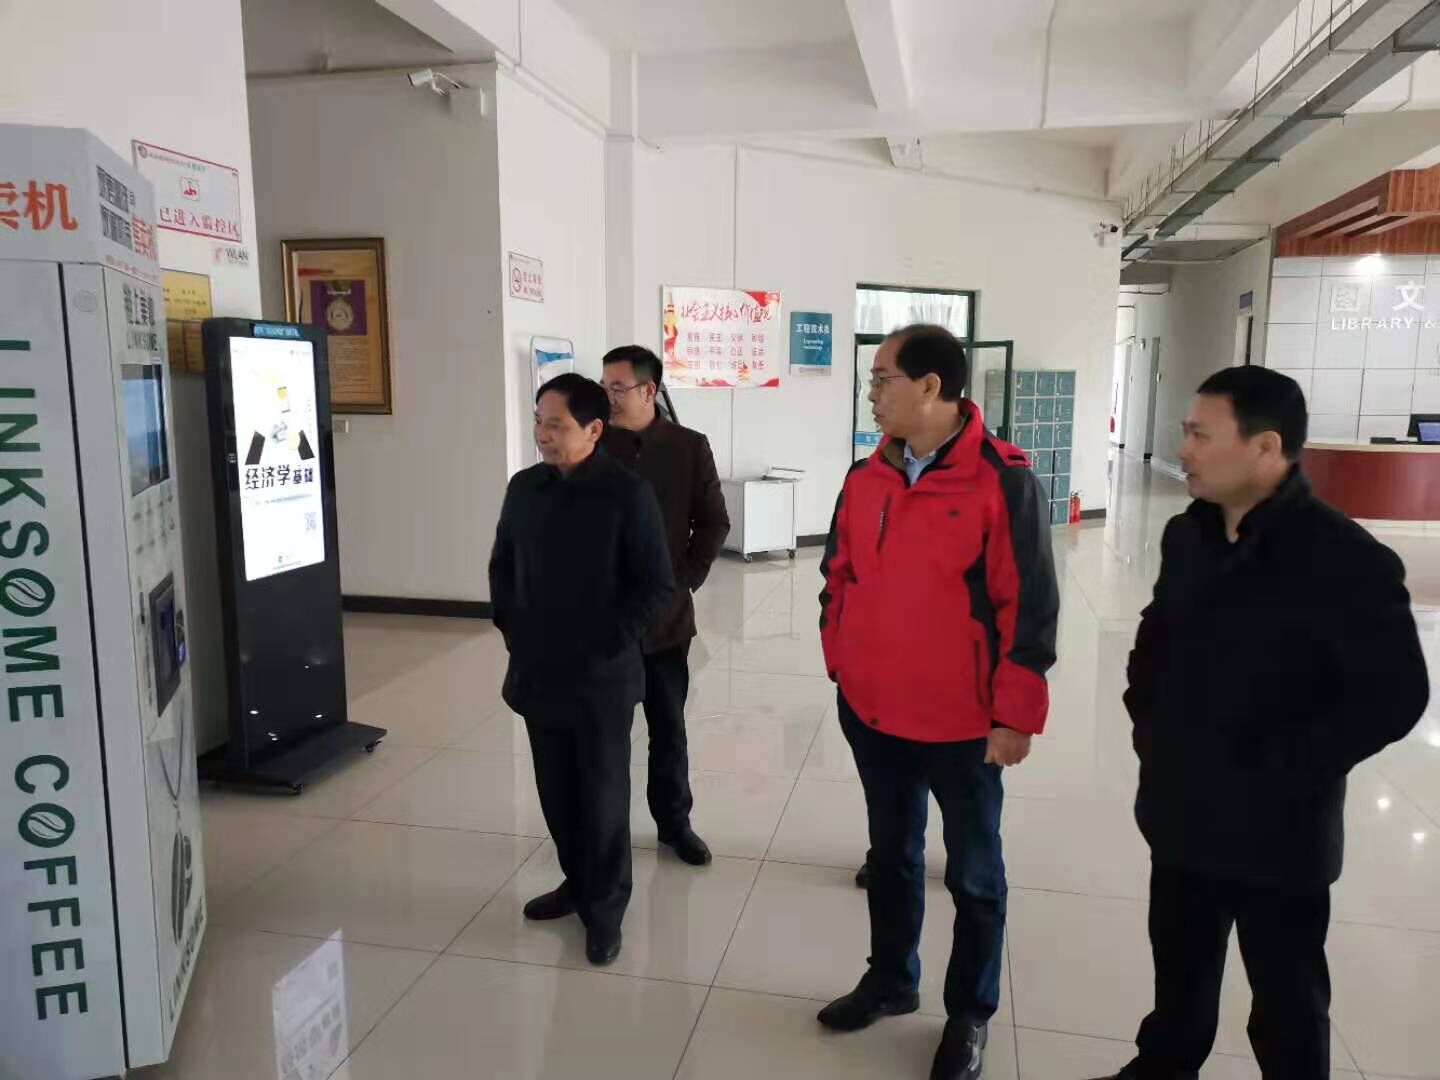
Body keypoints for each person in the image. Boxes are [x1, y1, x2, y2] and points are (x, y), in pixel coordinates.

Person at [1091, 366, 1428, 1080]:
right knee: (1178, 986)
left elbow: (1397, 695)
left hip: (1280, 834)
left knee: (1286, 1004)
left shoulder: (1345, 558)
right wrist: (1152, 732)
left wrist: (1279, 771)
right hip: (1182, 815)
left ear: (1265, 447)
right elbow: (1155, 640)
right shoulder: (1188, 535)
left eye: (1199, 434)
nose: (1182, 449)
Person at [818, 324, 1059, 1080]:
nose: (872, 393)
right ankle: (892, 980)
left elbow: (1030, 609)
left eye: (882, 378)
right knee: (891, 857)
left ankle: (970, 1013)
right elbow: (837, 575)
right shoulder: (866, 476)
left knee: (974, 875)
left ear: (931, 386)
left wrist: (1015, 715)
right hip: (875, 710)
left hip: (963, 724)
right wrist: (841, 660)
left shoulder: (1002, 480)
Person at [489, 373, 675, 966]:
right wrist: (514, 630)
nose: (542, 434)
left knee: (602, 795)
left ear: (594, 430)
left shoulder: (627, 494)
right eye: (538, 421)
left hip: (600, 678)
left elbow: (655, 585)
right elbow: (502, 566)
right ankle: (576, 882)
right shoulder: (525, 488)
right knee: (556, 790)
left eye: (556, 425)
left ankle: (606, 907)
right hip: (537, 670)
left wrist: (606, 644)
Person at [601, 345, 730, 866]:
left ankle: (675, 825)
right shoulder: (594, 443)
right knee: (605, 737)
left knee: (668, 730)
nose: (608, 397)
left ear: (648, 390)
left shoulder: (688, 447)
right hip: (604, 622)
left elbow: (714, 521)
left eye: (617, 388)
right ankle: (603, 832)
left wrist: (684, 582)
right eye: (604, 387)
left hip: (664, 622)